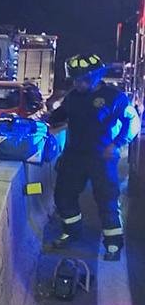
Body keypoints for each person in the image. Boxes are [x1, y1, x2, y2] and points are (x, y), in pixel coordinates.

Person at [49, 53, 140, 261]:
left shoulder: (114, 97)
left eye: (83, 79)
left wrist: (116, 144)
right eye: (76, 79)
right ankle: (72, 232)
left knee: (107, 201)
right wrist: (46, 117)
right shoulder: (72, 97)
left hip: (101, 158)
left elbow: (132, 122)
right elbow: (59, 116)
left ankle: (113, 244)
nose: (79, 83)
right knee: (63, 196)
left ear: (97, 76)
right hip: (73, 157)